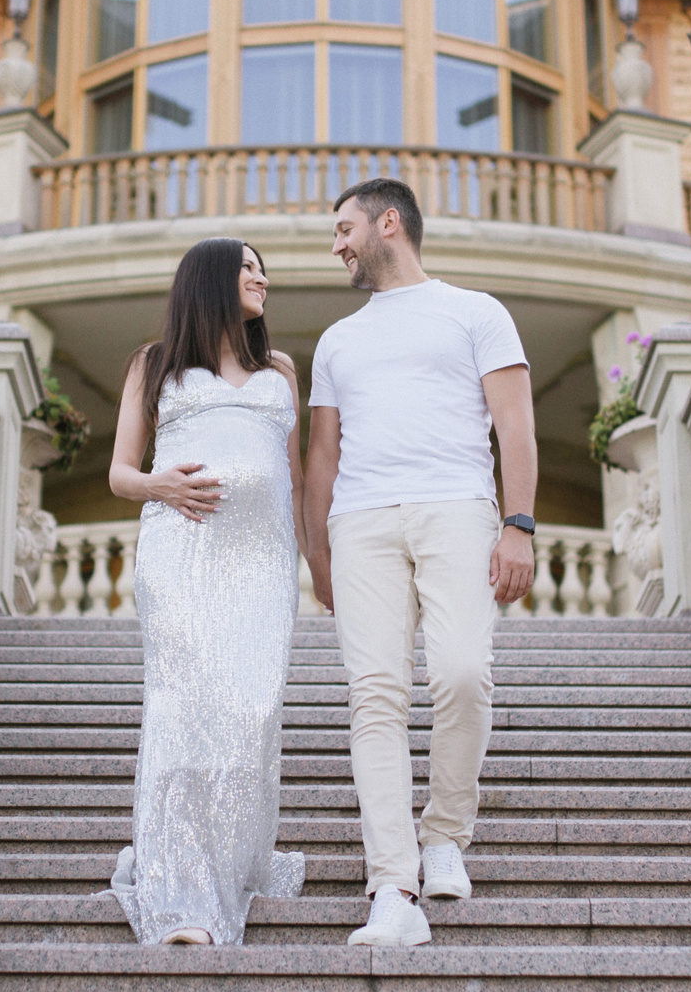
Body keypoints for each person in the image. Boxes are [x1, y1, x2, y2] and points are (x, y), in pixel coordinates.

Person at [304, 179, 537, 948]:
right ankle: (393, 885)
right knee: (374, 697)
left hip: (457, 509)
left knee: (463, 672)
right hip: (362, 522)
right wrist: (318, 552)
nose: (336, 243)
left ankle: (445, 832)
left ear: (388, 222)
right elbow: (324, 453)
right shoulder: (338, 340)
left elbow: (516, 426)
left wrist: (518, 524)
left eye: (344, 228)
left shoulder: (477, 312)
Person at [102, 236, 311, 945]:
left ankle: (229, 862)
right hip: (182, 554)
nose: (262, 278)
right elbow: (121, 473)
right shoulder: (153, 364)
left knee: (250, 714)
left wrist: (318, 563)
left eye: (264, 269)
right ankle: (184, 895)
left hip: (263, 567)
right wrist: (159, 483)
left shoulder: (279, 370)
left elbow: (294, 481)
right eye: (248, 268)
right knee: (183, 711)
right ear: (213, 280)